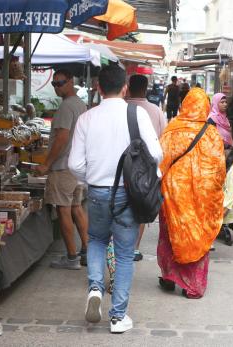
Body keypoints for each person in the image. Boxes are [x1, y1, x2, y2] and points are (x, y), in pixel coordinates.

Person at [69, 65, 163, 333]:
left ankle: (96, 288)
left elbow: (74, 164)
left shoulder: (87, 118)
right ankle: (118, 316)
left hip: (97, 191)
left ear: (98, 87)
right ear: (125, 88)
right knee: (123, 253)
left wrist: (94, 176)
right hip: (127, 193)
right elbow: (156, 154)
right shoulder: (137, 114)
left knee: (96, 240)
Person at [157, 87, 226, 299]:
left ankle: (170, 277)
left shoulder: (173, 129)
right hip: (203, 198)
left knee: (171, 234)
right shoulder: (212, 134)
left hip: (173, 194)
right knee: (197, 235)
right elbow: (219, 169)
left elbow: (160, 162)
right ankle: (192, 286)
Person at [37, 68, 89, 269]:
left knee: (64, 210)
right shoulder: (80, 104)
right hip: (76, 166)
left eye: (60, 83)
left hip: (63, 167)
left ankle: (71, 257)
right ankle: (85, 250)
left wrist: (46, 164)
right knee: (76, 208)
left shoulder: (67, 107)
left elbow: (62, 137)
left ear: (71, 81)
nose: (57, 87)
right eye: (54, 84)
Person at [126, 74, 168, 262]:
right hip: (146, 170)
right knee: (140, 207)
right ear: (146, 88)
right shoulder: (155, 110)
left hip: (121, 167)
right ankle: (134, 247)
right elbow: (162, 140)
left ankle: (116, 246)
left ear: (128, 87)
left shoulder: (122, 108)